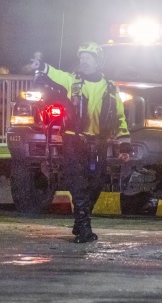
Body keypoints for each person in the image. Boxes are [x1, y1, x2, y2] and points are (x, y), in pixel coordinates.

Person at [30, 42, 130, 243]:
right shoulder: (72, 81)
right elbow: (56, 73)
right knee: (78, 185)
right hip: (74, 141)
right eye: (81, 58)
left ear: (97, 61)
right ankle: (85, 230)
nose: (83, 61)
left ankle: (80, 222)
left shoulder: (110, 88)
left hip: (98, 143)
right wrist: (42, 66)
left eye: (88, 58)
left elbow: (119, 117)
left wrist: (124, 145)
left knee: (96, 184)